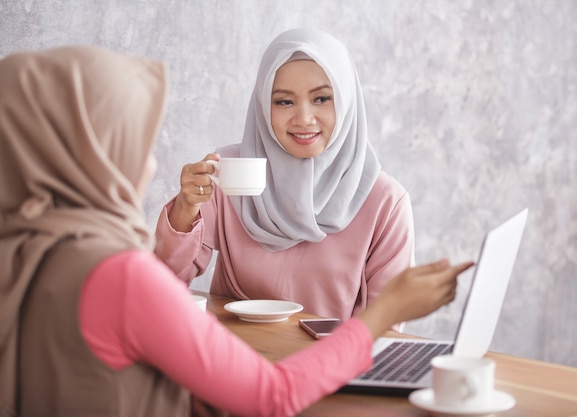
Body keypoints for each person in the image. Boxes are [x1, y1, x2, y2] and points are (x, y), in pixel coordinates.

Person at [0, 45, 472, 417]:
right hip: (257, 378)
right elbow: (271, 396)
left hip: (280, 372)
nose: (150, 161)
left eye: (322, 98)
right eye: (131, 140)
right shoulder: (119, 272)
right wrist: (186, 209)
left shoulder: (19, 251)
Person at [155, 28, 417, 322]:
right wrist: (184, 210)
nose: (304, 118)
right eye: (283, 101)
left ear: (347, 101)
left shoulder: (385, 203)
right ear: (263, 107)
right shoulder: (226, 172)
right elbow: (161, 288)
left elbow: (384, 329)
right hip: (230, 358)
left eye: (321, 98)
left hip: (329, 364)